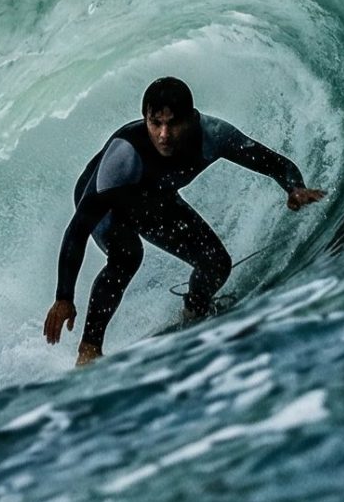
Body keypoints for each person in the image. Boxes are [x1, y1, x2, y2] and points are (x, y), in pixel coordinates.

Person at [43, 76, 326, 366]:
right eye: (156, 123)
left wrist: (293, 187)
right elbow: (78, 229)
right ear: (145, 120)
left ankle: (194, 309)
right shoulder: (124, 158)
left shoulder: (213, 135)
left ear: (191, 118)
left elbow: (273, 163)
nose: (164, 134)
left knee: (216, 262)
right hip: (107, 202)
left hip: (155, 197)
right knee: (127, 255)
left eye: (173, 123)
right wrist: (64, 296)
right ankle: (89, 350)